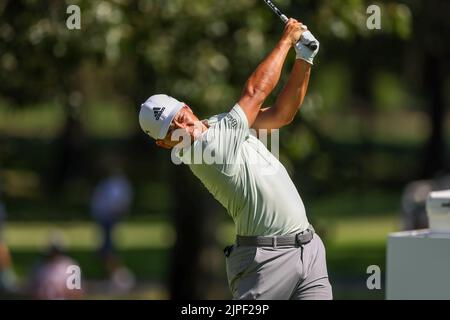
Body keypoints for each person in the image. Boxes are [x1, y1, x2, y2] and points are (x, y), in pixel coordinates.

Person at [139, 19, 332, 299]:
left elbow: (281, 114)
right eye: (170, 131)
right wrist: (287, 40)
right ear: (163, 144)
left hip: (309, 247)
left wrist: (305, 58)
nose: (182, 128)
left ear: (187, 107)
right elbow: (255, 92)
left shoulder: (221, 125)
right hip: (265, 262)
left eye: (179, 118)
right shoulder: (206, 150)